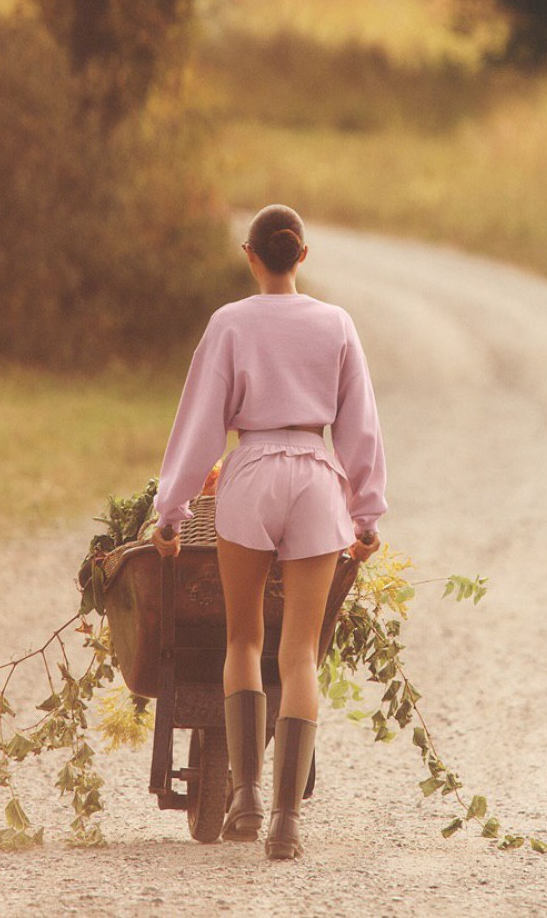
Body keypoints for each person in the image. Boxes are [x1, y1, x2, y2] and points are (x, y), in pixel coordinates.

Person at [151, 204, 385, 860]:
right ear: (302, 257)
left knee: (245, 637)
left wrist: (169, 514)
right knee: (301, 652)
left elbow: (200, 426)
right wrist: (367, 514)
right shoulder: (336, 324)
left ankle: (246, 796)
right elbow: (360, 426)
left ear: (250, 255)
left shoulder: (229, 324)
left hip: (249, 473)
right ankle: (286, 823)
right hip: (315, 477)